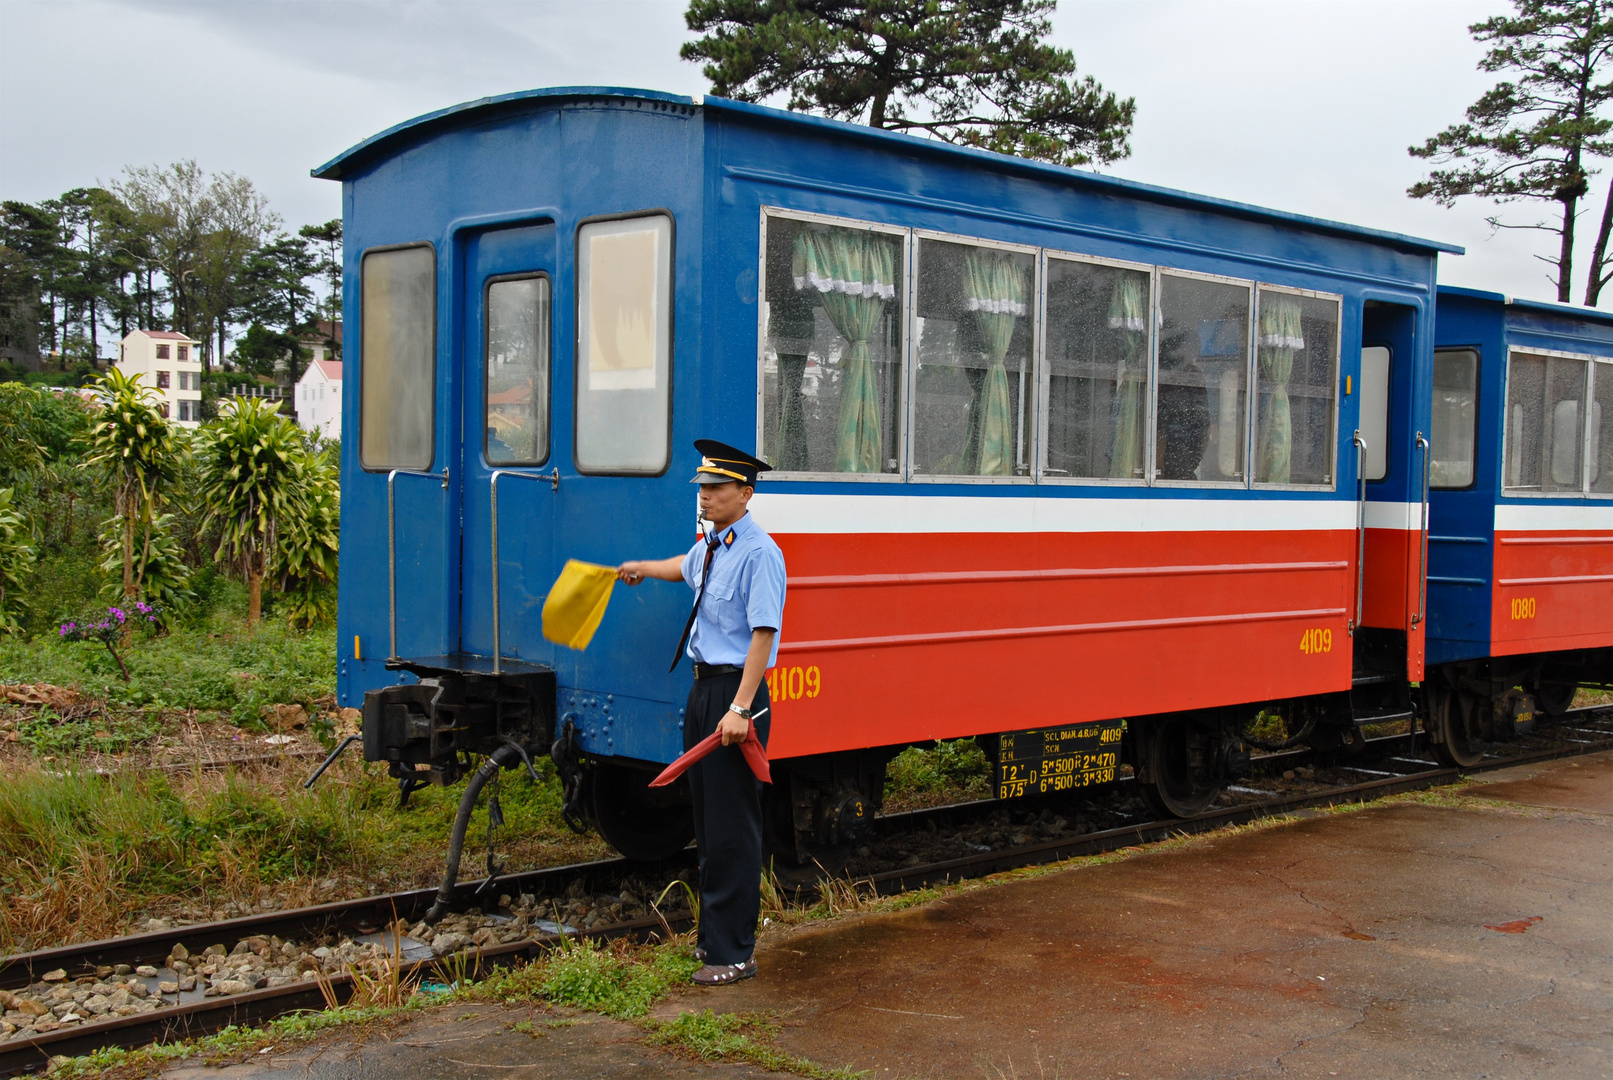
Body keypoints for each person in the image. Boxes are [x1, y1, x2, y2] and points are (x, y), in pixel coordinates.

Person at [617, 439, 786, 986]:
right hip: (704, 693)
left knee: (733, 827)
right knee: (708, 825)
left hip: (736, 697)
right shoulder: (714, 545)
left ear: (746, 492)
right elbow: (682, 569)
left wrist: (741, 707)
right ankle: (714, 942)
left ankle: (735, 953)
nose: (705, 496)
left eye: (715, 488)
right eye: (702, 488)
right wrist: (644, 567)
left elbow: (763, 634)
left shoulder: (761, 553)